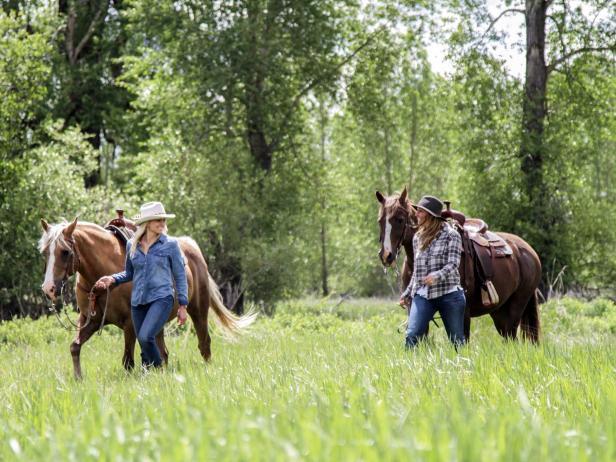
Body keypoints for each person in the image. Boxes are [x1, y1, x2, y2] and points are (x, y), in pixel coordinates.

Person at [95, 201, 189, 368]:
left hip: (162, 298)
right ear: (146, 223)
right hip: (138, 301)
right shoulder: (132, 245)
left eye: (163, 220)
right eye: (157, 220)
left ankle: (159, 371)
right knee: (143, 344)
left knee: (146, 337)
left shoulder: (170, 244)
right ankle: (148, 377)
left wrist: (182, 305)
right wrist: (113, 279)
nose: (162, 223)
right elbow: (130, 273)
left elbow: (180, 276)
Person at [399, 195, 466, 349]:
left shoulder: (451, 235)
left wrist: (436, 276)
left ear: (430, 215)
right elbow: (417, 271)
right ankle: (410, 371)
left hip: (450, 295)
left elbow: (453, 264)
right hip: (424, 296)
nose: (416, 214)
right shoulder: (417, 238)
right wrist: (408, 293)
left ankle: (462, 370)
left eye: (420, 211)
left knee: (457, 342)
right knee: (411, 335)